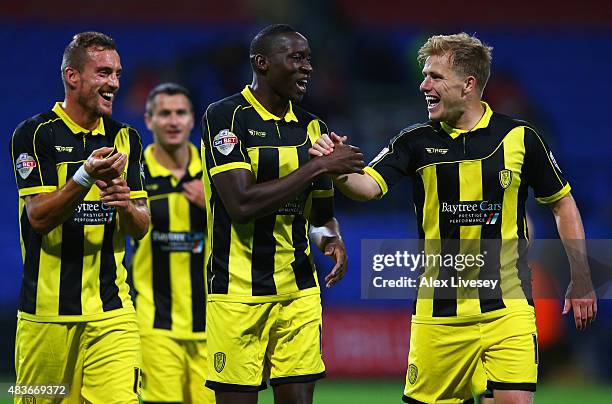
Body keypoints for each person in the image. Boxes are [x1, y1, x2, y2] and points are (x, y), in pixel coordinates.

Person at [310, 33, 596, 404]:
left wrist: (582, 277)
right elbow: (366, 187)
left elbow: (563, 204)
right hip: (438, 315)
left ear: (468, 85)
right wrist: (334, 166)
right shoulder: (413, 141)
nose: (423, 85)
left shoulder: (520, 137)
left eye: (435, 77)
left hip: (507, 309)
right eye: (424, 75)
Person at [200, 24, 365, 404]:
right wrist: (319, 167)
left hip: (298, 292)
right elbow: (240, 204)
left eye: (308, 59)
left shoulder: (313, 127)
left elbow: (320, 215)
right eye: (296, 58)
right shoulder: (226, 117)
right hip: (236, 292)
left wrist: (331, 240)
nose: (307, 68)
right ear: (262, 63)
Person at [10, 32, 150, 403]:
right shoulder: (34, 134)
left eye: (117, 74)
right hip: (46, 318)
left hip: (112, 312)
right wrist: (84, 177)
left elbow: (141, 226)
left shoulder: (128, 139)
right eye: (104, 73)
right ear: (72, 77)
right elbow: (37, 217)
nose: (114, 84)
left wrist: (125, 205)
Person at [131, 82, 215, 403]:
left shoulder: (214, 171)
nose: (173, 121)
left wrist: (212, 203)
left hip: (212, 324)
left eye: (180, 113)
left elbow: (249, 221)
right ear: (149, 120)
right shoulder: (135, 174)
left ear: (193, 120)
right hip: (154, 324)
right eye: (164, 113)